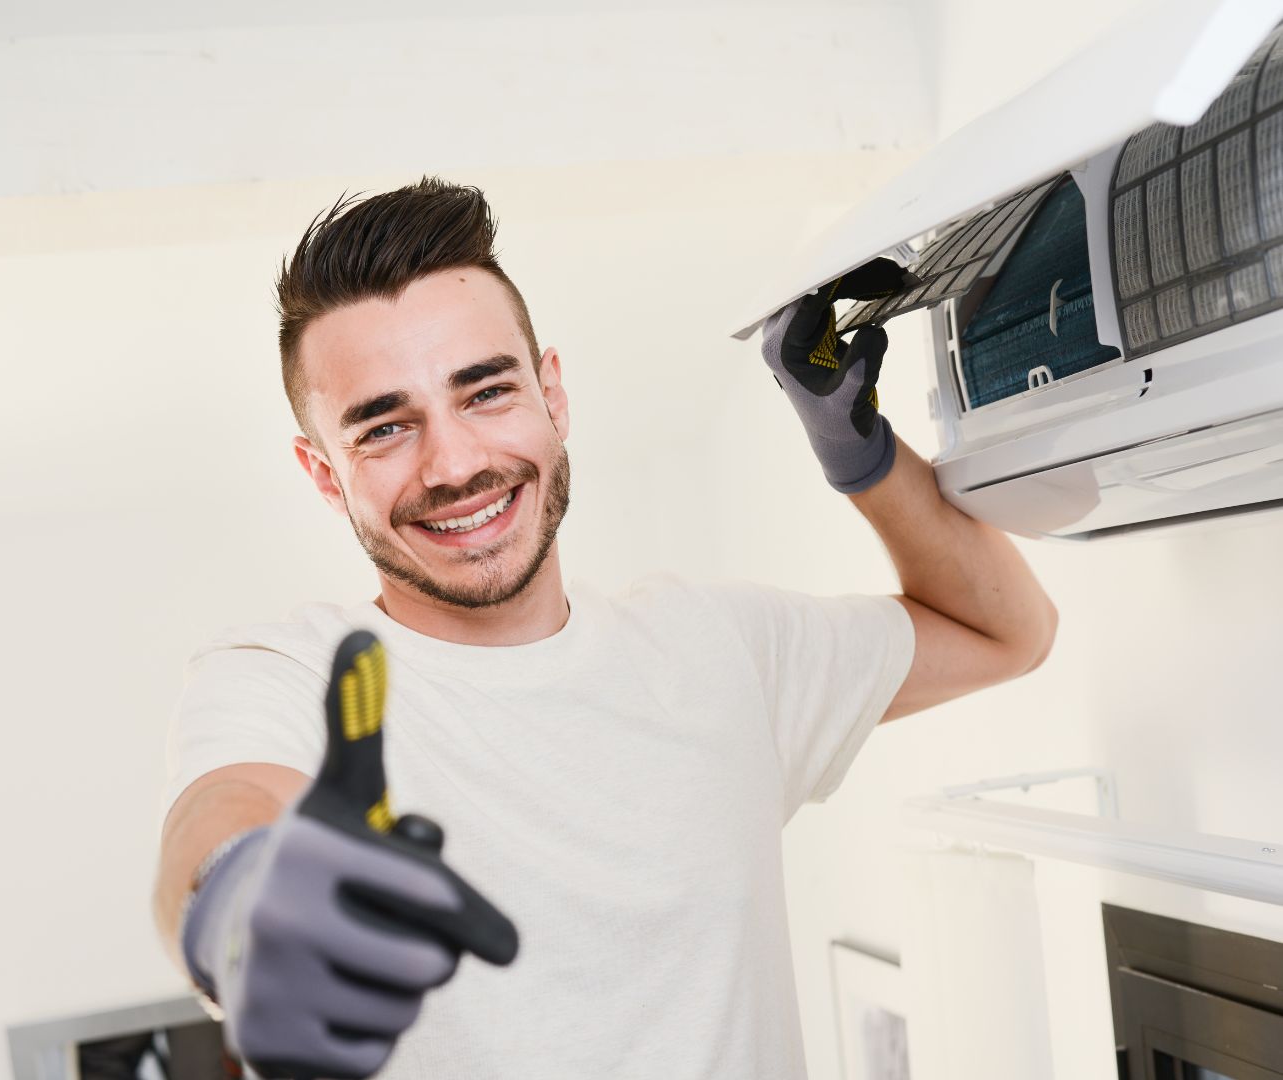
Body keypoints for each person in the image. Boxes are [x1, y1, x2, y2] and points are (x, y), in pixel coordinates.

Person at [151, 177, 1058, 1079]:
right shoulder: (291, 679)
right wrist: (248, 907)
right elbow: (220, 810)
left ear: (553, 395)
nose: (456, 462)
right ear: (323, 474)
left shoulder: (720, 651)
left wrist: (861, 453)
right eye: (385, 428)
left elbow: (1004, 631)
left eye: (485, 392)